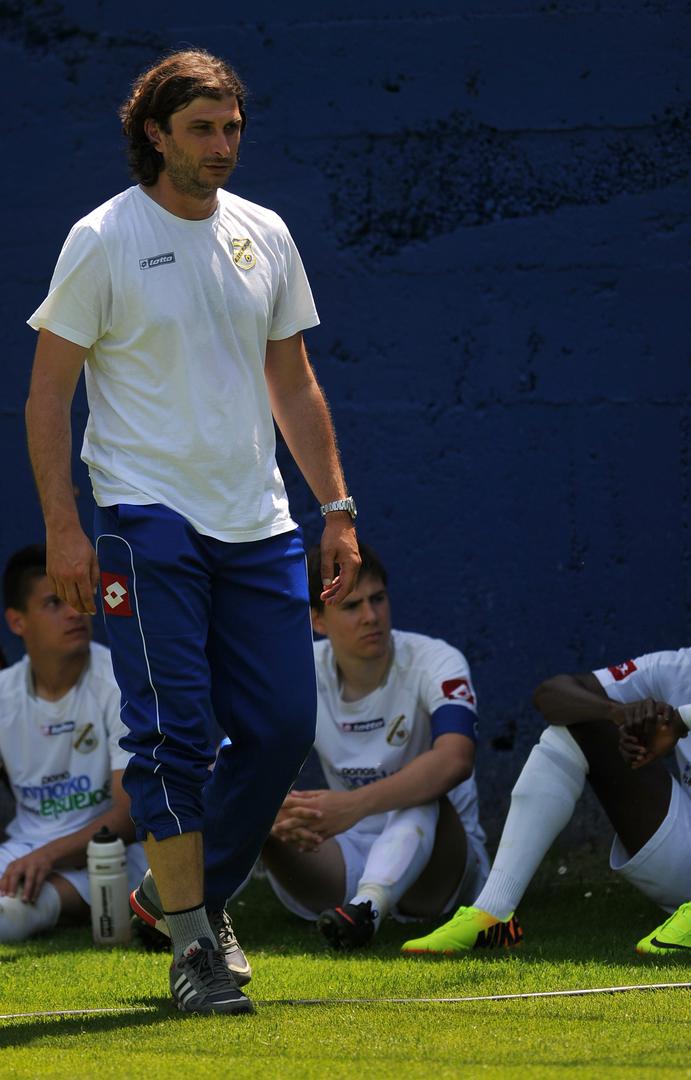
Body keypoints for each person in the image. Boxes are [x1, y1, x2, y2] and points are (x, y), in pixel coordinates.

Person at [25, 49, 359, 1014]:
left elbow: (293, 382)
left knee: (282, 727)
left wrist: (335, 509)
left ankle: (182, 894)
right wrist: (64, 528)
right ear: (155, 133)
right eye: (202, 128)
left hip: (259, 524)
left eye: (232, 128)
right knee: (172, 734)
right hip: (143, 519)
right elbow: (48, 397)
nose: (222, 145)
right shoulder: (102, 238)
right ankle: (193, 948)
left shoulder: (266, 233)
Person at [262, 543, 490, 949]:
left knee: (422, 791)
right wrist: (278, 809)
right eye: (352, 606)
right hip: (341, 853)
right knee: (241, 797)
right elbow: (242, 753)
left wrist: (352, 806)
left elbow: (456, 759)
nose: (371, 616)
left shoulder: (437, 660)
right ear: (318, 620)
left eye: (378, 599)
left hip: (439, 866)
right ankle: (182, 911)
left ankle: (366, 910)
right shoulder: (298, 669)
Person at [401, 646, 691, 956]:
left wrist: (678, 720)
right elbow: (551, 692)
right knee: (580, 720)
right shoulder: (676, 666)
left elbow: (677, 721)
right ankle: (492, 912)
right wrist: (617, 712)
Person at [0, 544, 147, 941]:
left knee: (10, 915)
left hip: (113, 854)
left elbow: (130, 815)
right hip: (24, 850)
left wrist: (48, 857)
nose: (75, 612)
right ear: (17, 622)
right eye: (54, 602)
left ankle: (47, 905)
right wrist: (36, 855)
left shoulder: (119, 683)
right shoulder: (4, 694)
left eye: (80, 596)